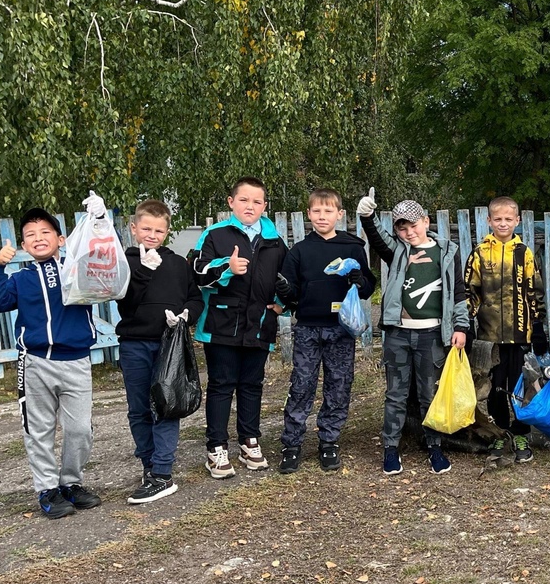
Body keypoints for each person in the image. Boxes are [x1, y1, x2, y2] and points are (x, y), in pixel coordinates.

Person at [0, 206, 101, 519]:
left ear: (61, 239)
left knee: (79, 430)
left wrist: (99, 224)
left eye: (46, 232)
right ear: (23, 246)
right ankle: (47, 490)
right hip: (35, 363)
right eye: (30, 235)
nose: (38, 238)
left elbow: (108, 272)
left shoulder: (77, 271)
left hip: (77, 361)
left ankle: (71, 483)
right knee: (40, 430)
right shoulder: (20, 280)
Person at [356, 191, 469, 476]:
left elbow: (458, 293)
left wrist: (461, 327)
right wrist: (367, 216)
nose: (409, 231)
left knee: (429, 394)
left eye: (414, 224)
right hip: (398, 336)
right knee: (395, 394)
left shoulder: (447, 251)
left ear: (426, 221)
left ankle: (434, 447)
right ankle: (391, 449)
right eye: (402, 227)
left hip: (432, 335)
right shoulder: (397, 251)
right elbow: (378, 238)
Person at [190, 177, 291, 479]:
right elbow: (196, 273)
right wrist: (226, 268)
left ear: (265, 206)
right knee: (222, 384)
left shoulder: (274, 240)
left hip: (260, 323)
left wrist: (282, 303)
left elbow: (288, 278)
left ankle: (250, 440)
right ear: (231, 202)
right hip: (221, 324)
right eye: (244, 200)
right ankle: (216, 447)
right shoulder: (214, 235)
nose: (250, 206)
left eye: (257, 201)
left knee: (252, 384)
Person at [277, 188, 376, 474]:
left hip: (341, 330)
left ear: (340, 214)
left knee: (338, 386)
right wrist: (285, 291)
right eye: (317, 211)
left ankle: (329, 441)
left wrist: (359, 279)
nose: (322, 216)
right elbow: (291, 293)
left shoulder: (352, 248)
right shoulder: (299, 251)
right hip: (308, 328)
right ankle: (292, 444)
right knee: (301, 385)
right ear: (309, 214)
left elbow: (368, 288)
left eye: (328, 211)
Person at [115, 199, 204, 504]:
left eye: (159, 230)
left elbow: (195, 299)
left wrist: (185, 316)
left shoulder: (178, 264)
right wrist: (142, 271)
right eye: (146, 229)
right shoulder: (124, 262)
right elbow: (125, 303)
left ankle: (163, 473)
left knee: (167, 404)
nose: (152, 235)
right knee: (139, 409)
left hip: (170, 344)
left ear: (167, 231)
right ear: (134, 227)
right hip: (133, 344)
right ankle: (149, 466)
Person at [464, 196, 548, 463]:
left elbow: (536, 290)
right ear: (488, 221)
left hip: (520, 334)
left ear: (517, 221)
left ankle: (521, 433)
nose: (503, 223)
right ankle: (500, 434)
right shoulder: (479, 253)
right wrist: (465, 323)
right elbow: (470, 291)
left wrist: (538, 326)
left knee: (520, 386)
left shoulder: (524, 253)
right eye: (497, 219)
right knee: (495, 387)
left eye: (508, 219)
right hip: (490, 338)